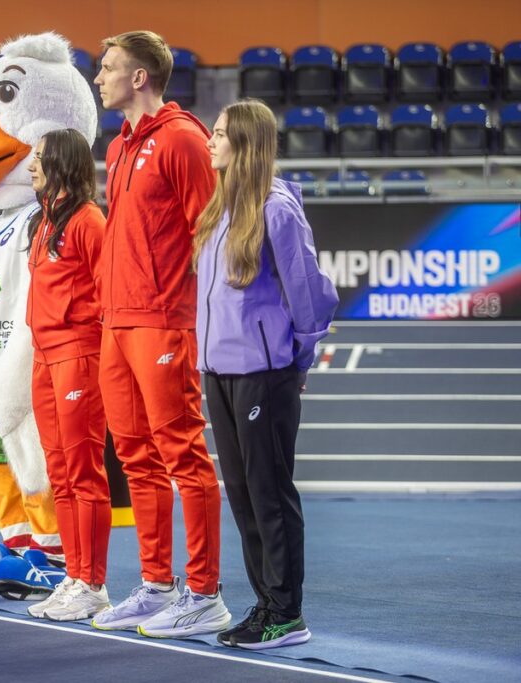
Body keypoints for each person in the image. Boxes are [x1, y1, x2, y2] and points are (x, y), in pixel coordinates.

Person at [90, 30, 231, 638]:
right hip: (116, 323)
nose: (98, 78)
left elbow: (214, 233)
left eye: (107, 68)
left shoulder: (183, 139)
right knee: (135, 458)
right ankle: (155, 585)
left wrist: (203, 318)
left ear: (139, 77)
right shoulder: (119, 146)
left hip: (165, 320)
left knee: (184, 457)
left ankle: (204, 594)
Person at [194, 99, 338, 649]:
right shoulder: (219, 207)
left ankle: (286, 613)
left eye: (222, 133)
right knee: (243, 495)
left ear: (247, 144)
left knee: (269, 493)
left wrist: (294, 360)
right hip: (221, 373)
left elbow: (311, 296)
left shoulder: (276, 208)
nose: (211, 140)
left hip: (263, 372)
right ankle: (265, 605)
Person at [22, 129, 112, 621]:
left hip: (78, 355)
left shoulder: (88, 221)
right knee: (60, 473)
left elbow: (106, 296)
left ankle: (93, 583)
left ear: (61, 163)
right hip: (44, 356)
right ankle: (75, 577)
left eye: (38, 159)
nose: (31, 166)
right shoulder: (45, 220)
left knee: (83, 472)